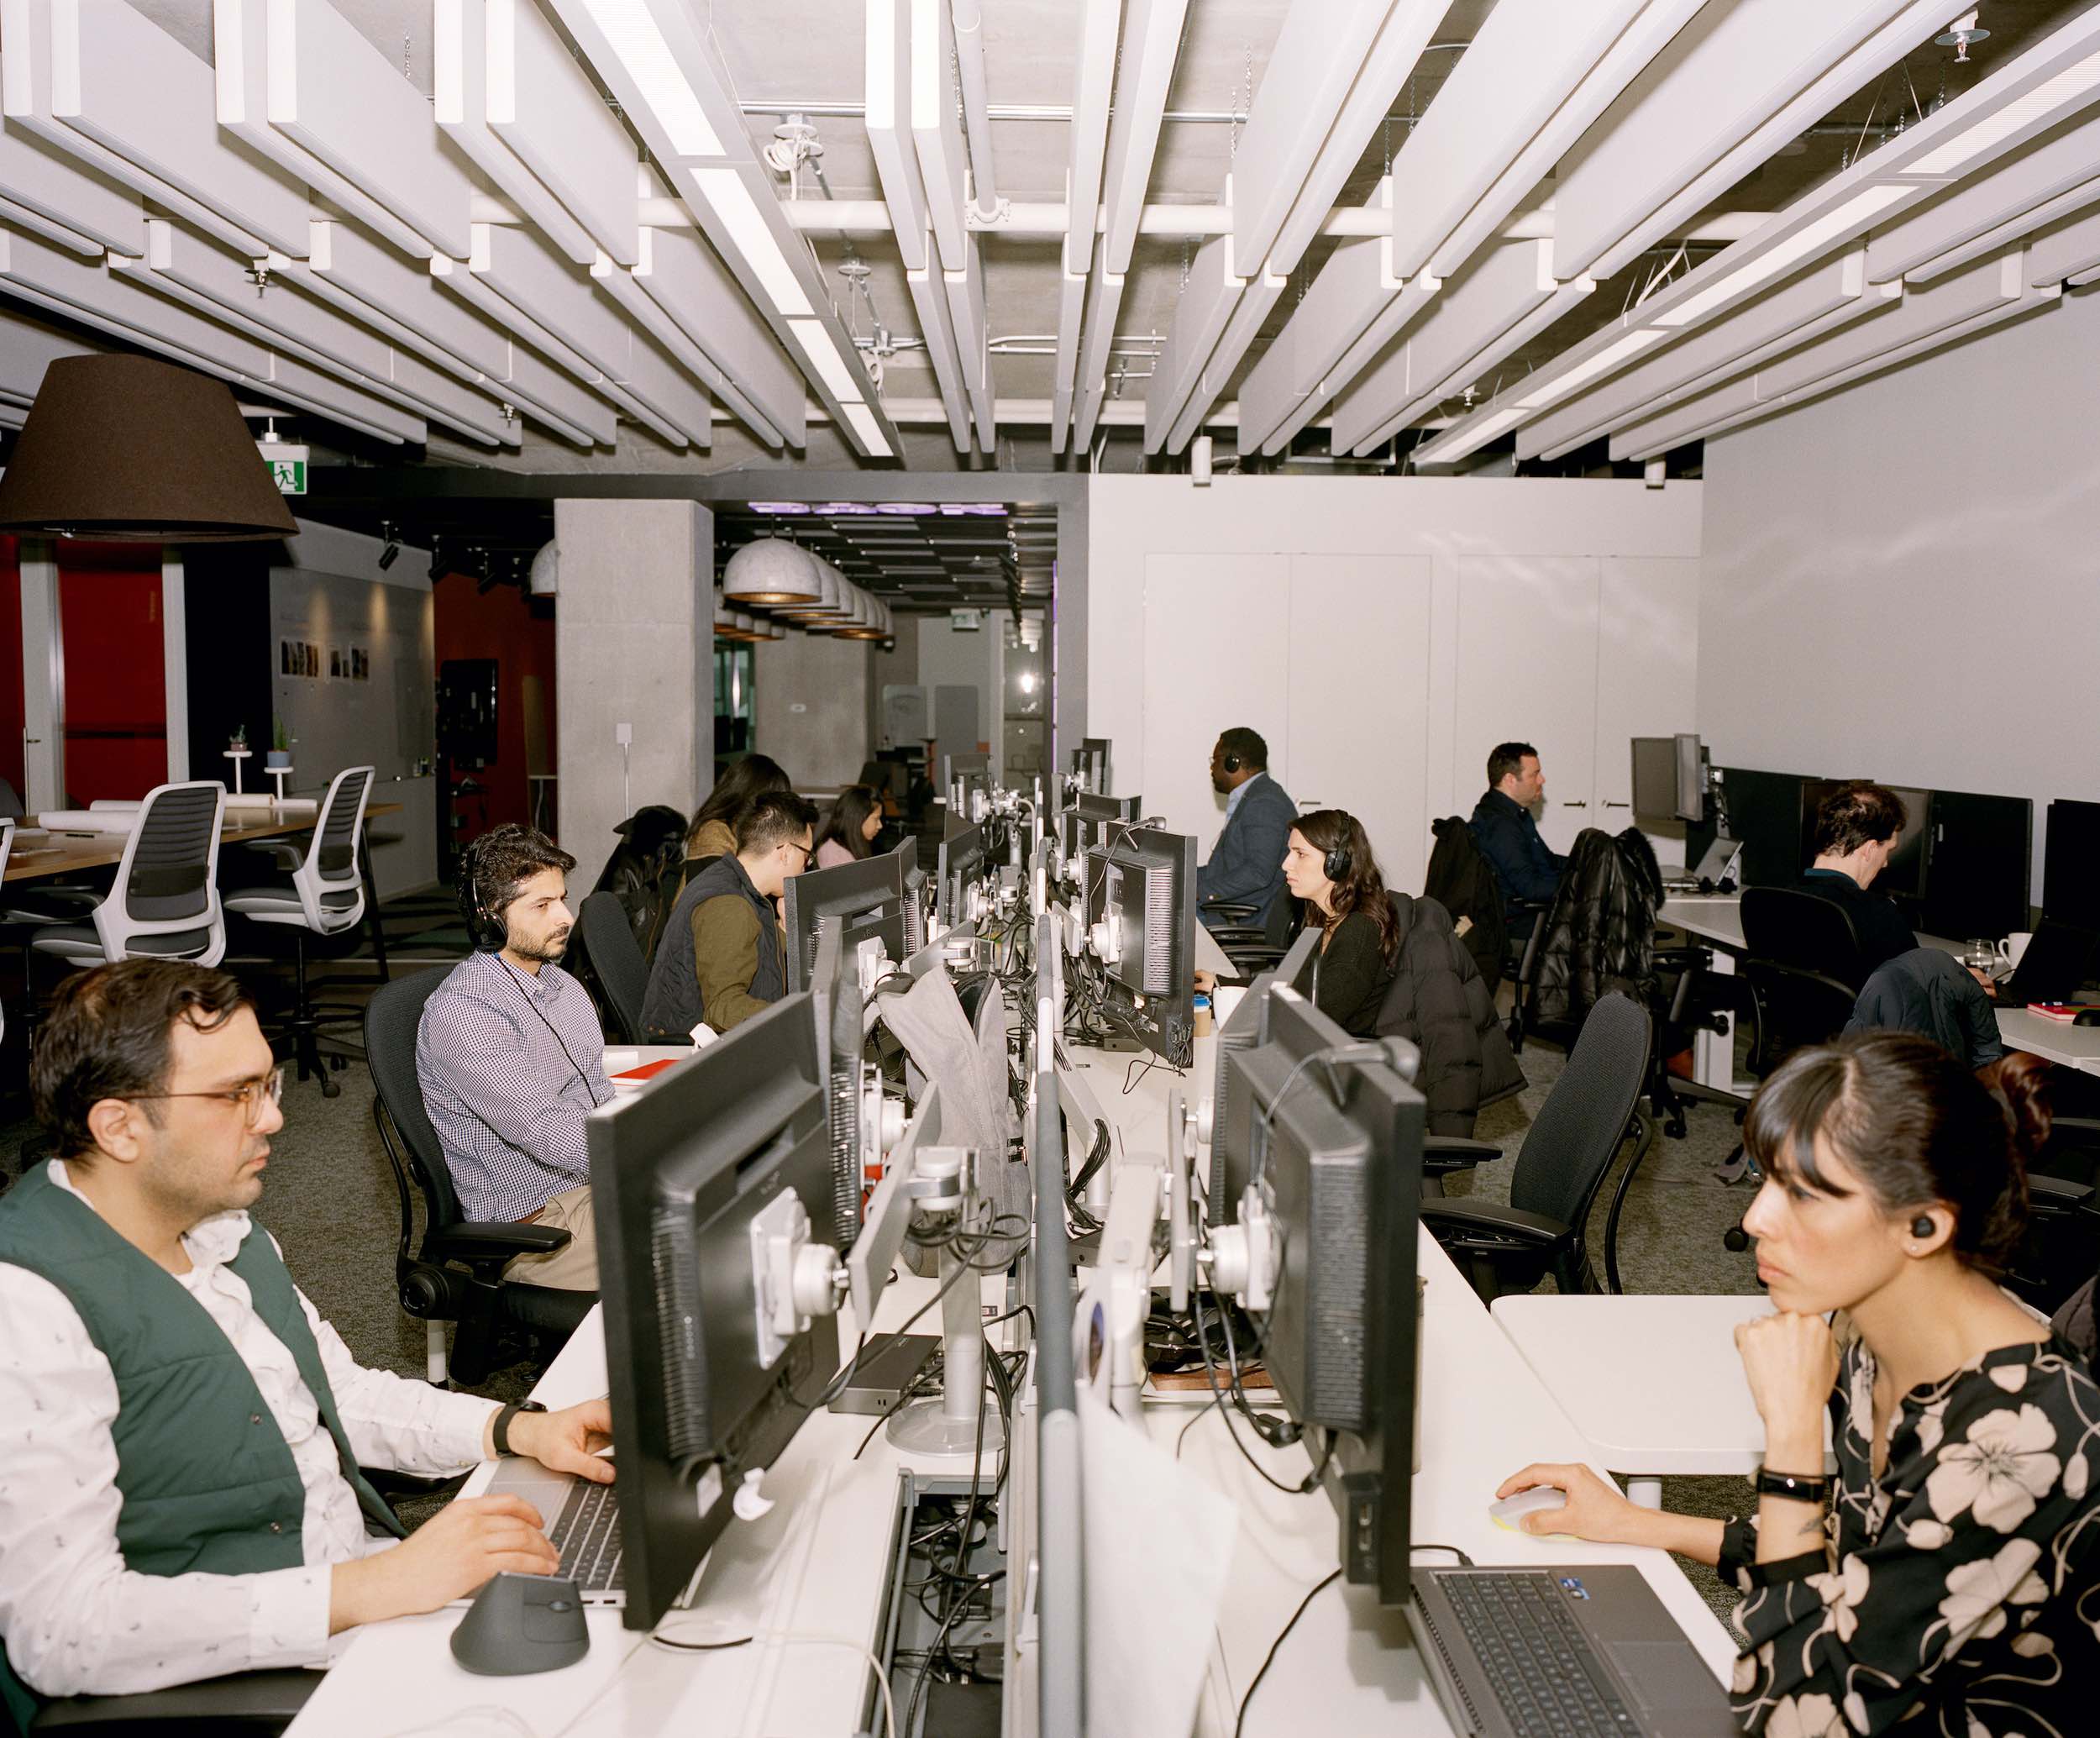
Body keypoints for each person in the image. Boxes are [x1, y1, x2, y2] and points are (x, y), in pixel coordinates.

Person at [0, 961, 613, 1715]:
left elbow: (337, 1393)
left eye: (269, 1084)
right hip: (248, 1679)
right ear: (119, 1126)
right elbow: (61, 1630)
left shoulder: (223, 1225)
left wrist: (516, 1426)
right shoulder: (27, 1303)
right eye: (236, 1094)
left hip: (362, 1595)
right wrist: (370, 1588)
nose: (272, 1119)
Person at [1496, 1034, 2100, 1737]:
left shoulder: (2023, 1434)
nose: (1755, 1219)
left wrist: (1790, 1440)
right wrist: (1632, 1522)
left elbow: (1791, 1715)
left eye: (1805, 1194)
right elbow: (1832, 1552)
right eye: (1768, 1181)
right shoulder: (1867, 1327)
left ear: (1926, 1224)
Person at [417, 825, 613, 1292]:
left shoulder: (563, 986)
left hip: (590, 1187)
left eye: (562, 899)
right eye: (542, 906)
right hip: (536, 1228)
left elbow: (598, 1097)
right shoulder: (464, 1012)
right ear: (492, 918)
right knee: (698, 1248)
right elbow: (550, 1134)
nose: (565, 917)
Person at [642, 790, 817, 1040]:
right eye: (807, 856)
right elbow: (724, 1008)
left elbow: (748, 953)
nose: (806, 865)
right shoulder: (729, 904)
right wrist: (800, 1016)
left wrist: (783, 928)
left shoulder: (736, 883)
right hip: (690, 1050)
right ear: (786, 852)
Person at [1279, 810, 1398, 1037]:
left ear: (1337, 864)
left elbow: (1317, 1015)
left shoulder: (1359, 931)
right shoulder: (1323, 918)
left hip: (1336, 1059)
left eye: (1300, 854)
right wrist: (1224, 984)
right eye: (1289, 852)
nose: (1286, 864)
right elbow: (1293, 986)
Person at [1802, 780, 1919, 972]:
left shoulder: (1770, 901)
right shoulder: (1878, 914)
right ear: (1871, 849)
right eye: (1888, 851)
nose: (1885, 863)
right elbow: (1918, 988)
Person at [1196, 727, 1297, 930]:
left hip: (1244, 914)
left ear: (1233, 762)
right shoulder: (1253, 796)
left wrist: (1198, 891)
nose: (1212, 768)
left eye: (1215, 760)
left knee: (1166, 915)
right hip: (1234, 906)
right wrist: (1177, 876)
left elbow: (1257, 873)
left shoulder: (1264, 803)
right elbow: (1226, 867)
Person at [1469, 741, 1564, 937]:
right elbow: (1531, 889)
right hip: (1521, 923)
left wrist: (1586, 867)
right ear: (1510, 780)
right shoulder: (1500, 825)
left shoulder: (1516, 815)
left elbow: (1547, 861)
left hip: (1533, 916)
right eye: (1534, 774)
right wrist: (1579, 884)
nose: (1542, 780)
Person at [684, 752, 791, 868]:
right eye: (775, 802)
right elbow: (725, 883)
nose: (779, 811)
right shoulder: (713, 832)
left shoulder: (741, 830)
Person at [814, 784, 884, 869]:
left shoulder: (853, 843)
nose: (880, 825)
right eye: (876, 819)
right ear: (858, 818)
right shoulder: (833, 854)